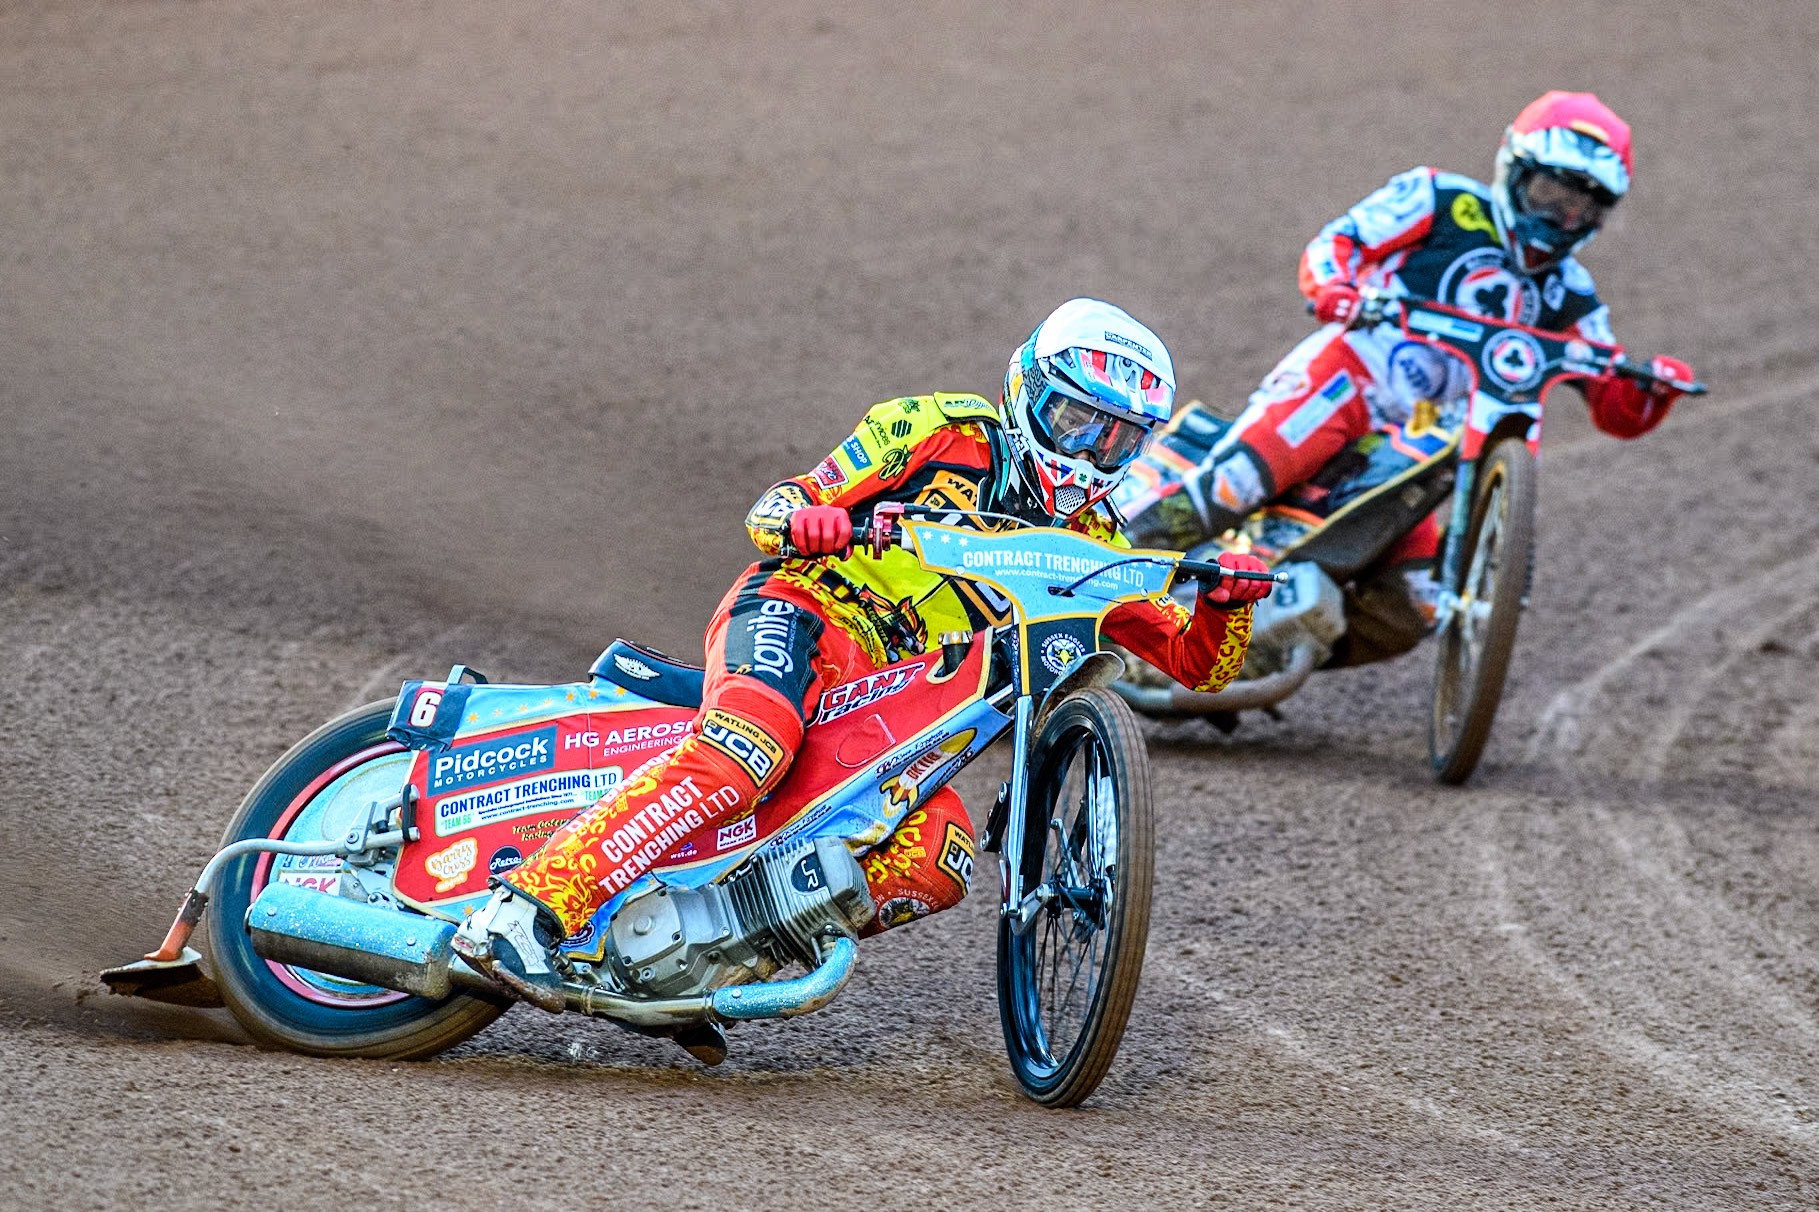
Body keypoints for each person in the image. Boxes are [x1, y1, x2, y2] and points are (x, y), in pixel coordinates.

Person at [452, 299, 1272, 1011]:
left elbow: (1198, 666)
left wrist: (1227, 603)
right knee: (750, 748)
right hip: (802, 613)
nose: (1090, 452)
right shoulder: (936, 428)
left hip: (883, 709)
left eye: (1119, 440)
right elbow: (778, 506)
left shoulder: (1093, 543)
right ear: (1028, 393)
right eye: (1076, 422)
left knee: (940, 856)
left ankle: (702, 955)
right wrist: (805, 520)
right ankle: (524, 910)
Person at [1125, 91, 1697, 570]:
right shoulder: (1441, 200)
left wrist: (1657, 390)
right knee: (1231, 488)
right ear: (1516, 170)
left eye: (1585, 209)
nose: (1563, 220)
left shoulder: (1571, 293)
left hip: (1423, 442)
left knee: (1412, 605)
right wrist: (1336, 290)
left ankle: (1261, 645)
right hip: (1348, 381)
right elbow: (1339, 243)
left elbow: (1614, 403)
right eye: (1552, 196)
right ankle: (1087, 568)